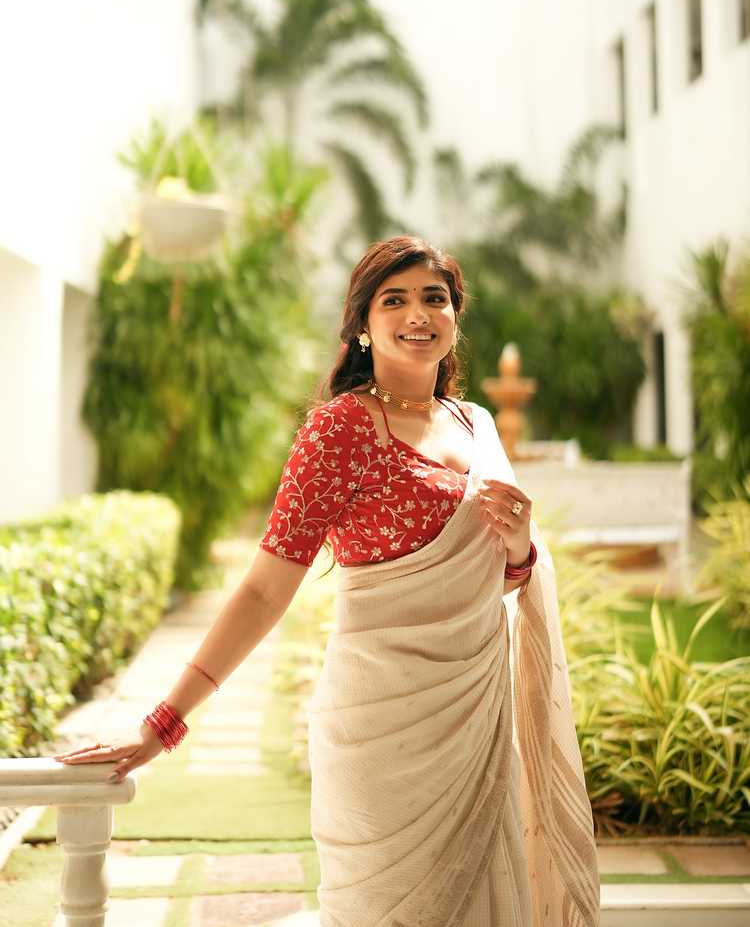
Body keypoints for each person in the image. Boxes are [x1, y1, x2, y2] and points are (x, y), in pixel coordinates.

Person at [56, 236, 600, 925]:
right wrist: (162, 723)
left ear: (455, 317)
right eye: (393, 300)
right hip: (378, 724)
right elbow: (263, 590)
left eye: (434, 298)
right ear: (363, 326)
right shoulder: (339, 430)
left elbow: (504, 576)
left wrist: (520, 544)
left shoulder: (478, 425)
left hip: (474, 715)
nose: (417, 314)